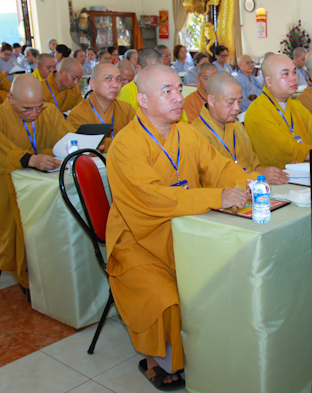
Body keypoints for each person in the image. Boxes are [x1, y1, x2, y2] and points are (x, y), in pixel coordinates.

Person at [106, 64, 254, 391]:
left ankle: (207, 352)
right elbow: (150, 197)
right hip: (138, 239)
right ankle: (154, 360)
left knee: (223, 280)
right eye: (167, 91)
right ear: (143, 100)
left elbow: (219, 167)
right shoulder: (126, 145)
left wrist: (249, 184)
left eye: (178, 89)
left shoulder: (186, 133)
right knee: (166, 297)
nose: (178, 98)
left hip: (186, 231)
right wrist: (215, 197)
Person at [0, 75, 75, 289]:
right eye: (26, 109)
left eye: (38, 107)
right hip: (10, 188)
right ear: (10, 99)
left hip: (46, 186)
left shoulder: (49, 111)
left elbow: (66, 140)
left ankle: (54, 270)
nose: (34, 113)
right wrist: (31, 160)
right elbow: (2, 153)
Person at [192, 72, 289, 184]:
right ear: (211, 100)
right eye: (230, 102)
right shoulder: (196, 133)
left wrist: (278, 173)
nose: (237, 108)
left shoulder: (237, 127)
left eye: (239, 101)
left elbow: (255, 165)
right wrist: (254, 176)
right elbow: (209, 180)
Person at [244, 54, 312, 168]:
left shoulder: (296, 106)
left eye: (294, 72)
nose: (294, 78)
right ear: (269, 81)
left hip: (305, 168)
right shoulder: (257, 111)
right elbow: (279, 147)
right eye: (285, 74)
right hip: (276, 175)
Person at [68, 63, 135, 152]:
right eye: (108, 78)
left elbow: (139, 136)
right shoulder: (78, 114)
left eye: (118, 79)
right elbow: (80, 145)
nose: (115, 85)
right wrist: (125, 143)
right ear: (92, 84)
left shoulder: (126, 109)